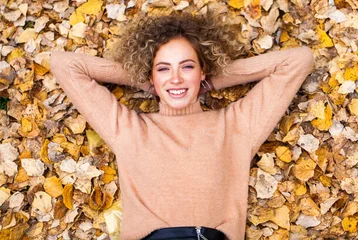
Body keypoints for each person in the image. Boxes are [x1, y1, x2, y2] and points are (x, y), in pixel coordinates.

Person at [50, 12, 314, 240]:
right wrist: (152, 82)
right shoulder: (127, 129)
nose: (175, 78)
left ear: (203, 70)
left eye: (186, 66)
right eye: (163, 68)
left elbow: (298, 60)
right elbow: (65, 64)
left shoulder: (236, 126)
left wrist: (205, 82)